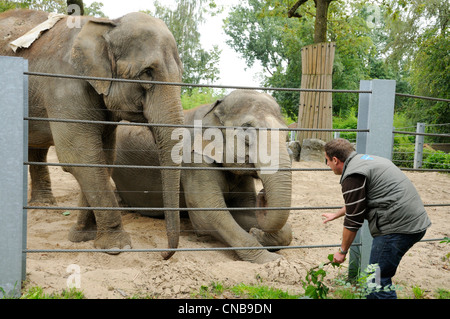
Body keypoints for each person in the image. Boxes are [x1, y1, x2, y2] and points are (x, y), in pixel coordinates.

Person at [322, 138, 431, 299]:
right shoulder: (367, 161)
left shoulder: (353, 175)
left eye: (327, 160)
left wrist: (342, 251)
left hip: (397, 229)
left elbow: (353, 221)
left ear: (335, 160)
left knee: (377, 282)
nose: (327, 164)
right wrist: (336, 214)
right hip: (413, 222)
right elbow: (359, 201)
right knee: (377, 279)